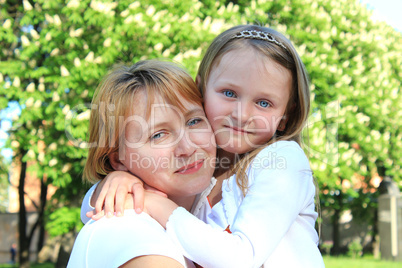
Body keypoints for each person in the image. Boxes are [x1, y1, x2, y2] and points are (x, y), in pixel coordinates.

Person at [84, 25, 324, 267]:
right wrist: (118, 182)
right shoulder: (202, 169)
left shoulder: (282, 161)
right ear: (202, 89)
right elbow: (94, 211)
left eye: (263, 102)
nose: (242, 115)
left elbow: (241, 259)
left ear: (285, 115)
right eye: (229, 93)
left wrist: (152, 202)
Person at [67, 59, 217, 268]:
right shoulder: (128, 231)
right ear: (118, 160)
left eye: (194, 121)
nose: (188, 147)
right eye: (158, 135)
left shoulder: (226, 201)